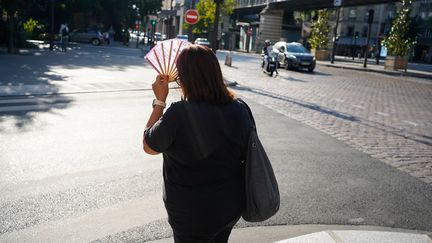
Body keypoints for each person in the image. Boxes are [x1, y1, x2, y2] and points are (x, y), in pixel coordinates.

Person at [143, 45, 250, 242]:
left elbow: (149, 146)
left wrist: (159, 101)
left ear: (184, 78)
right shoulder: (240, 109)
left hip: (190, 213)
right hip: (229, 205)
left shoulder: (179, 114)